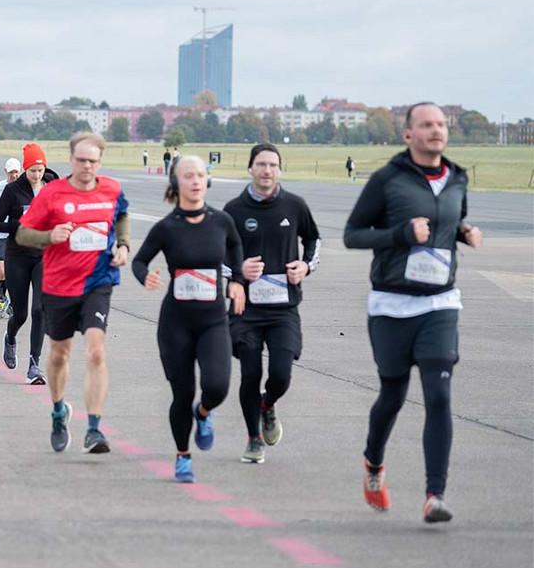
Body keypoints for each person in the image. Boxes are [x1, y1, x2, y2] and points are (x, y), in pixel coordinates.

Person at [344, 102, 481, 524]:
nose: (435, 130)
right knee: (392, 397)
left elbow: (452, 220)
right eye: (426, 124)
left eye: (440, 124)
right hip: (391, 306)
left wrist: (463, 232)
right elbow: (352, 235)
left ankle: (434, 494)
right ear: (408, 135)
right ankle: (373, 464)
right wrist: (400, 235)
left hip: (440, 303)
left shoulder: (457, 177)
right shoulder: (387, 180)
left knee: (439, 396)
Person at [15, 132, 131, 454]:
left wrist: (122, 245)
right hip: (59, 284)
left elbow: (121, 215)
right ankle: (58, 410)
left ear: (100, 162)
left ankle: (94, 430)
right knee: (59, 355)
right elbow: (23, 234)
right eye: (81, 160)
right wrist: (50, 236)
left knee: (96, 352)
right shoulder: (53, 194)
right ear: (70, 160)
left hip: (99, 280)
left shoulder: (111, 189)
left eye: (92, 161)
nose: (86, 166)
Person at [132, 155, 245, 482]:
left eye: (200, 175)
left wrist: (237, 281)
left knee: (217, 386)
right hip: (176, 324)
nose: (196, 181)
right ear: (175, 184)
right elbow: (139, 261)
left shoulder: (222, 222)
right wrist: (146, 277)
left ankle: (204, 412)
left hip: (213, 321)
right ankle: (183, 456)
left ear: (206, 181)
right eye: (188, 176)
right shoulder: (167, 227)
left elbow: (236, 248)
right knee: (182, 393)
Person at [223, 143, 321, 464]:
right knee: (250, 374)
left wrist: (305, 266)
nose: (267, 170)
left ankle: (268, 404)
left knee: (281, 374)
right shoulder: (234, 210)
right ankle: (253, 440)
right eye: (261, 164)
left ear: (279, 170)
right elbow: (215, 254)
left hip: (283, 308)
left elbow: (313, 241)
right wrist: (239, 271)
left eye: (273, 165)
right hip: (245, 309)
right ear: (250, 168)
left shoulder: (295, 206)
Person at [0, 145, 55, 384]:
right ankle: (10, 338)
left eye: (40, 170)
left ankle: (34, 365)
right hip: (17, 255)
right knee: (20, 314)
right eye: (33, 170)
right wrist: (19, 225)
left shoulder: (52, 188)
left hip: (43, 255)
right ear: (25, 168)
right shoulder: (12, 191)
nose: (37, 175)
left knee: (40, 310)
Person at [0, 158, 22, 318]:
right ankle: (2, 299)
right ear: (5, 172)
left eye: (16, 172)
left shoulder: (26, 187)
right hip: (1, 235)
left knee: (17, 271)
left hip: (20, 234)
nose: (14, 175)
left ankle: (14, 302)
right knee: (1, 271)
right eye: (11, 172)